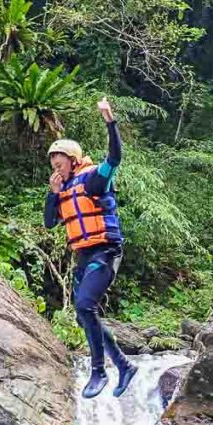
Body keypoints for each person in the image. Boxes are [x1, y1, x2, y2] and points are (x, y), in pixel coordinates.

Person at [44, 97, 137, 399]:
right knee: (85, 314)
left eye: (60, 162)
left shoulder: (94, 179)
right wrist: (53, 194)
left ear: (72, 160)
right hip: (83, 257)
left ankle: (99, 371)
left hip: (106, 251)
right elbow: (49, 222)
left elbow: (115, 157)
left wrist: (110, 122)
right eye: (53, 165)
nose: (56, 167)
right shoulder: (63, 189)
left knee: (85, 306)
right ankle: (124, 366)